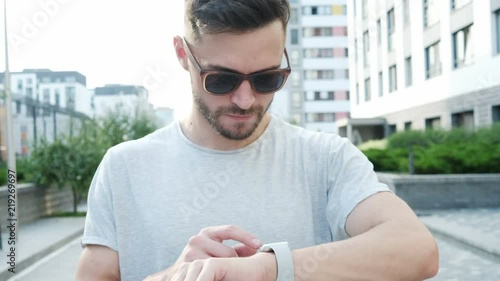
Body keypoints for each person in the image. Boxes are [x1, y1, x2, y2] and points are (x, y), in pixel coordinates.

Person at [76, 0, 439, 280]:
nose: (246, 100)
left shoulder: (326, 158)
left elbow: (418, 249)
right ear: (183, 55)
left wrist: (268, 268)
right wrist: (175, 276)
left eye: (267, 79)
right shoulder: (123, 167)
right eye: (222, 80)